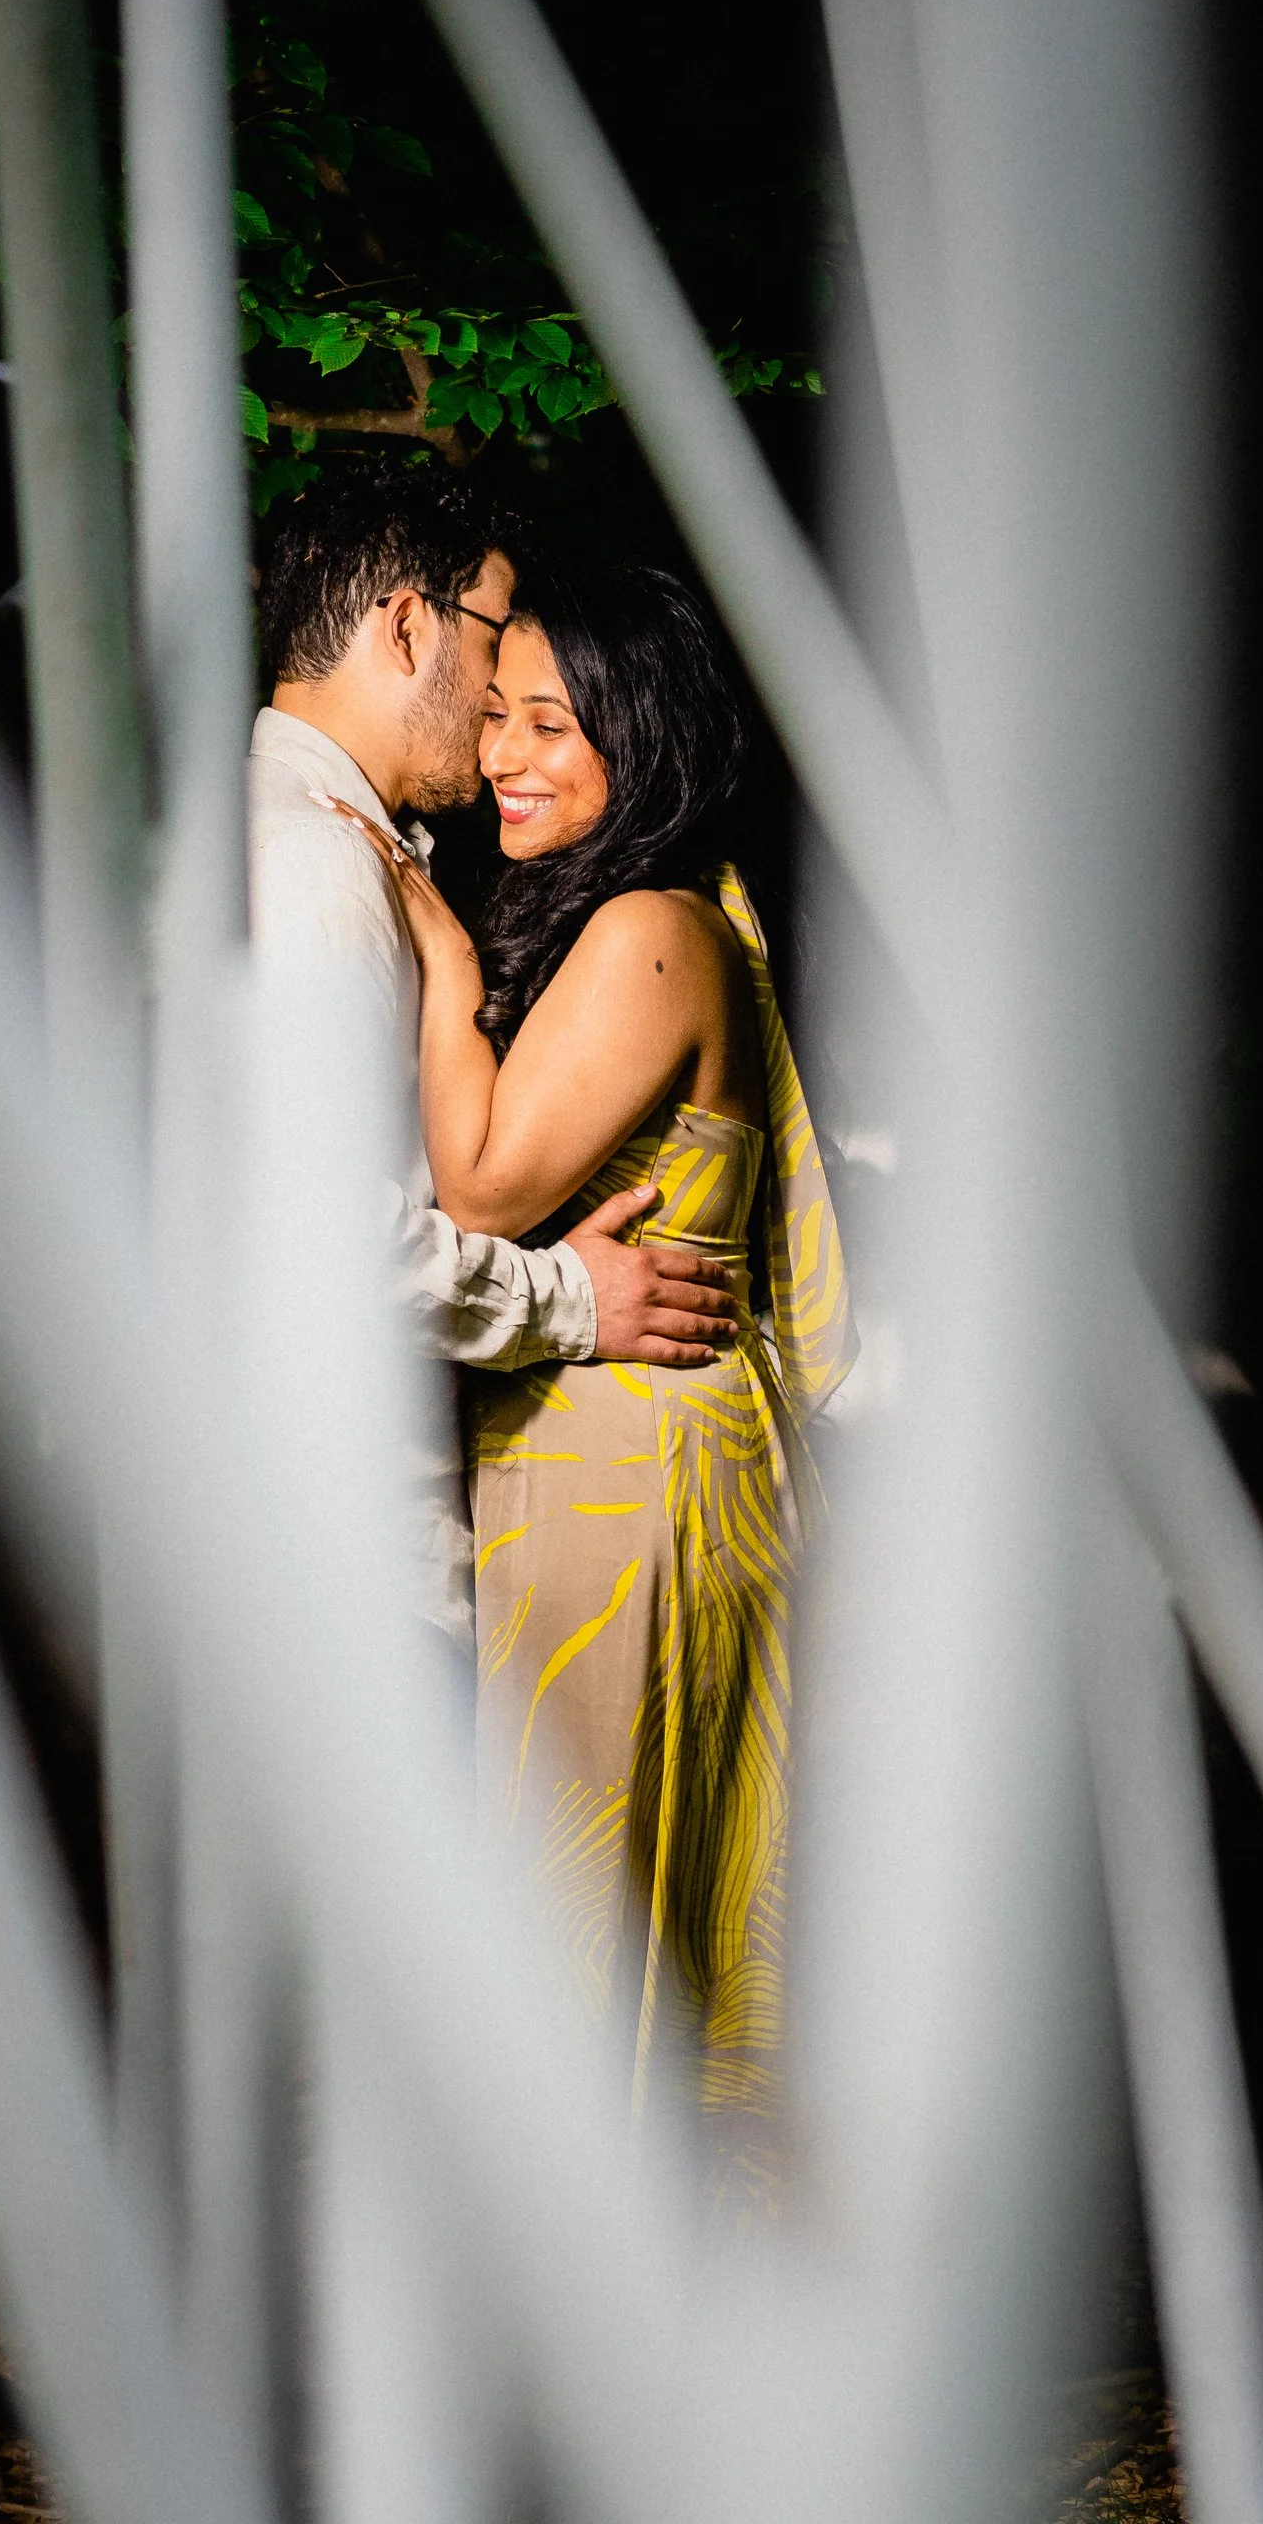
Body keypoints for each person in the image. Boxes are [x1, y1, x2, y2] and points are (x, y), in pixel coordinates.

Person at [350, 559, 852, 2194]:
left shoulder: (650, 929)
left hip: (627, 1473)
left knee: (592, 1924)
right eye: (495, 717)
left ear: (647, 743)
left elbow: (485, 1187)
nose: (506, 755)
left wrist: (431, 958)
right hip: (616, 1453)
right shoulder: (651, 914)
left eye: (553, 726)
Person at [246, 457, 742, 1640]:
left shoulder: (304, 837)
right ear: (409, 626)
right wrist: (568, 1297)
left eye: (544, 716)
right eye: (490, 642)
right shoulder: (317, 861)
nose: (492, 705)